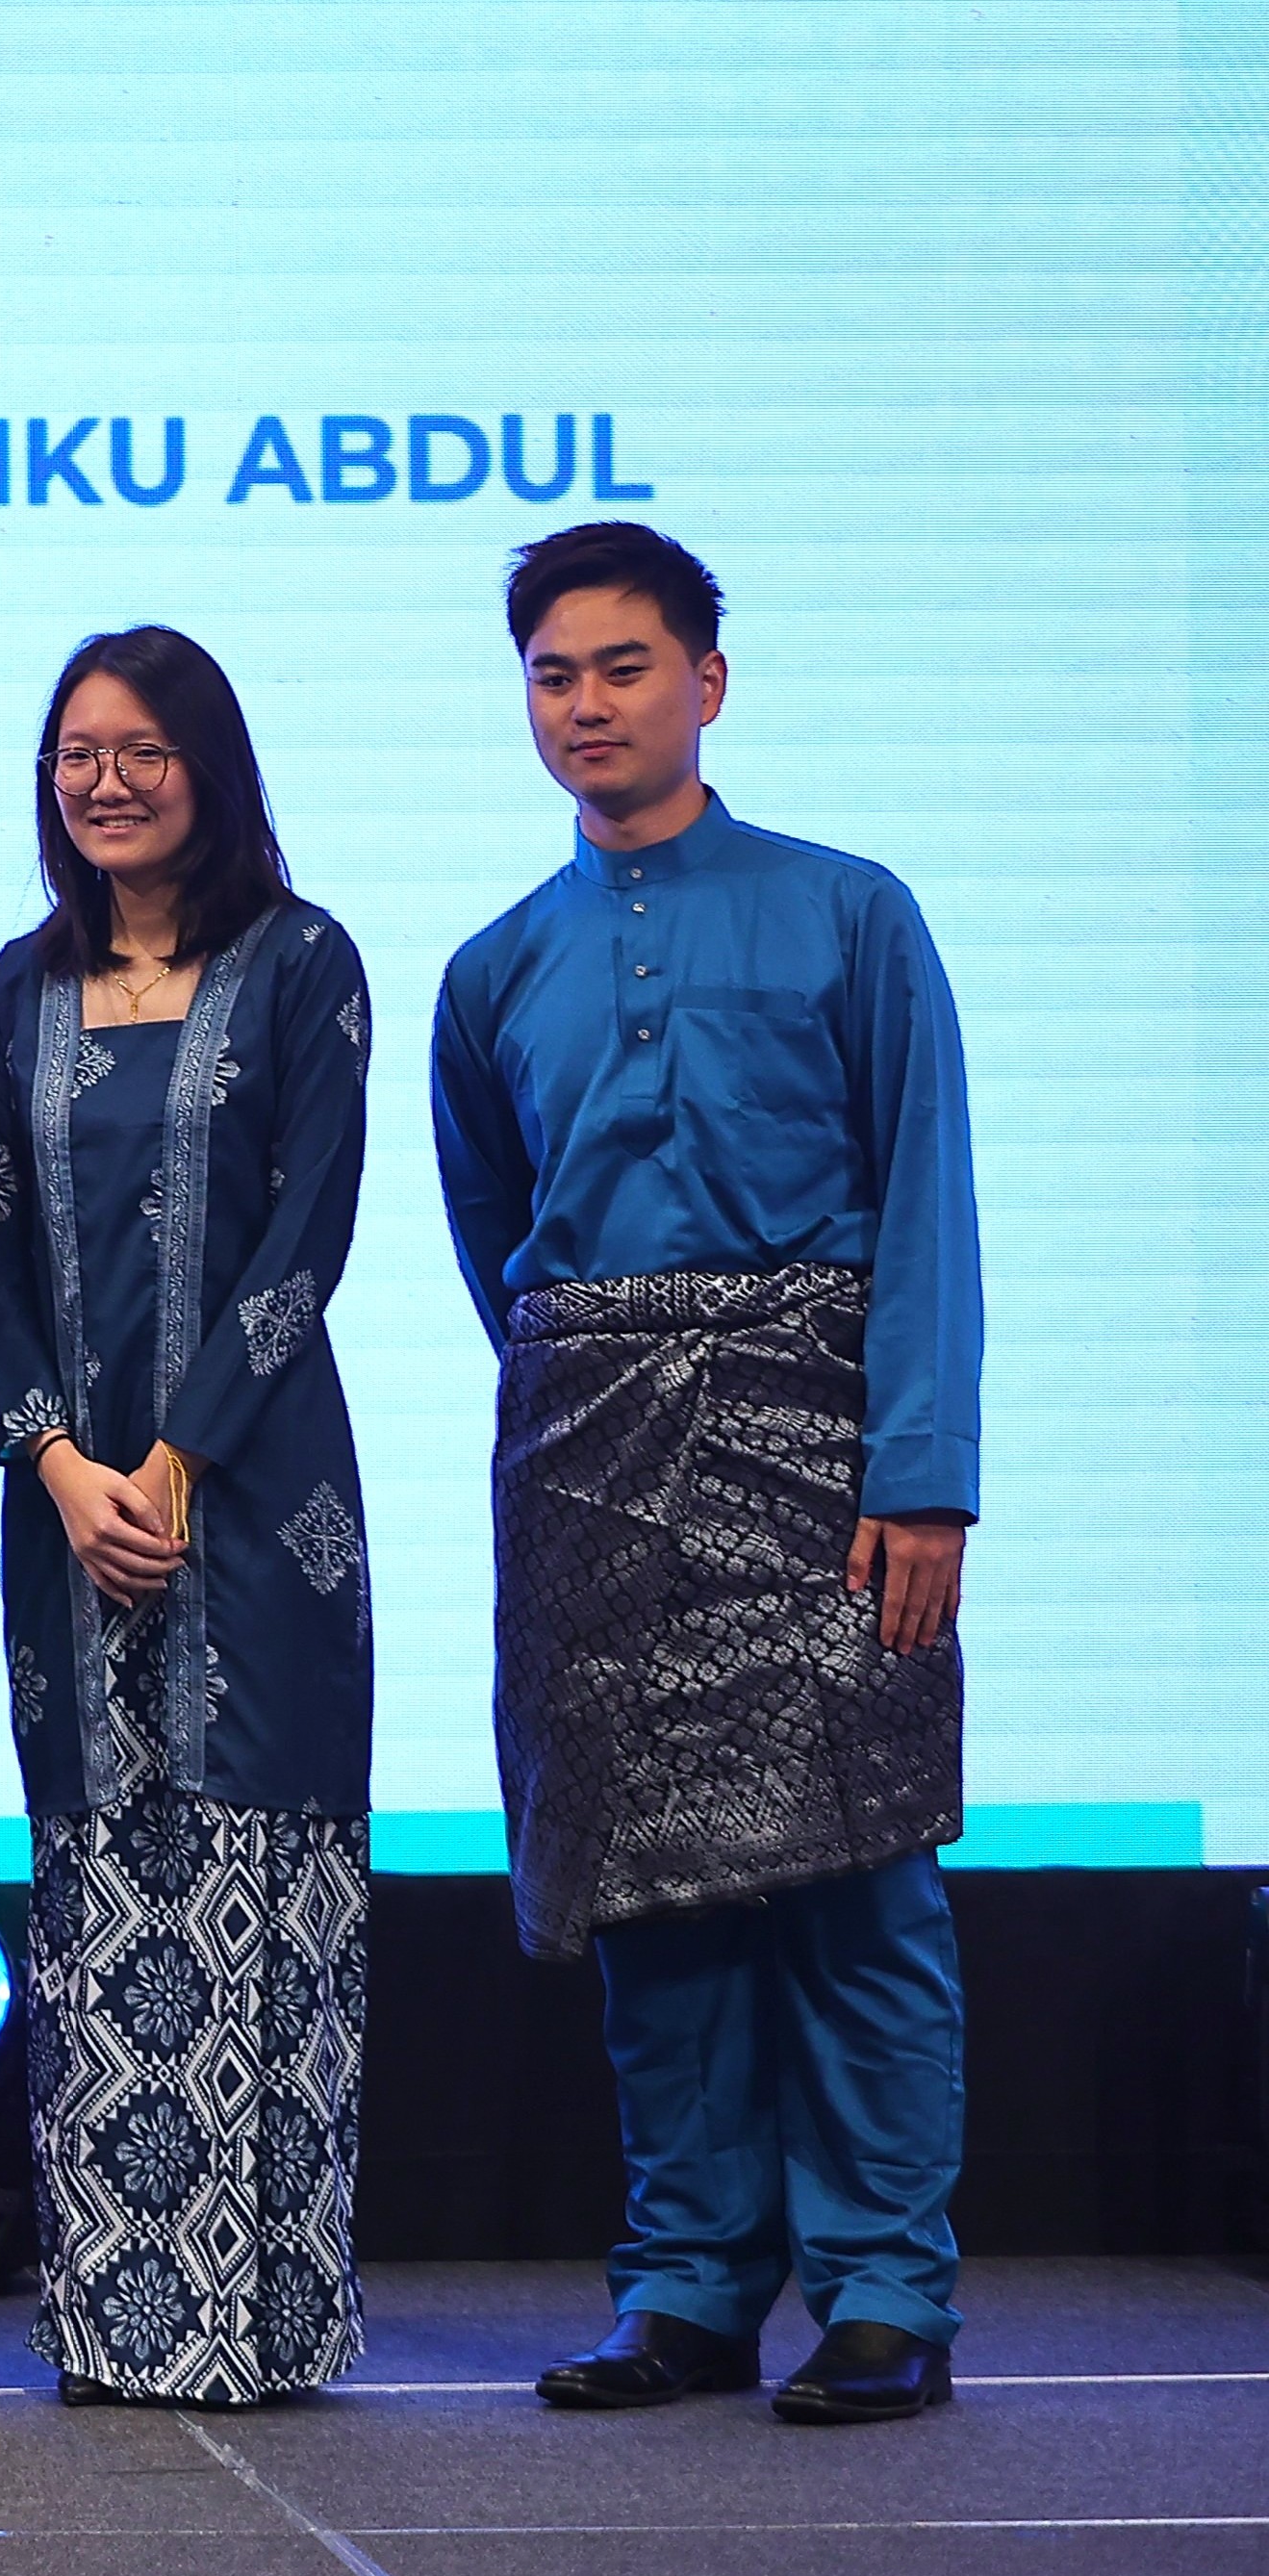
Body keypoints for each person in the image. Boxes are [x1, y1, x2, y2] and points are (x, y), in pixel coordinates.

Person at [430, 524, 979, 2427]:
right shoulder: (490, 964)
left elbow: (924, 1205)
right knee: (648, 1897)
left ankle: (884, 2289)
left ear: (705, 681)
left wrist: (918, 1475)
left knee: (854, 1881)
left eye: (620, 666)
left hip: (821, 1449)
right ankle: (681, 2285)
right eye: (550, 674)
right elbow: (498, 1239)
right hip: (588, 1457)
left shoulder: (848, 910)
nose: (583, 702)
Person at [0, 627, 376, 2407]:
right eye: (76, 752)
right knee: (99, 1881)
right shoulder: (17, 987)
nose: (105, 779)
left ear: (209, 763)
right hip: (65, 1519)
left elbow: (309, 1242)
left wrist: (183, 1463)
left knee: (265, 1880)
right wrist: (57, 1464)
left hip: (265, 1503)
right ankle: (119, 2321)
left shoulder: (302, 964)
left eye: (141, 748)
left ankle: (264, 2323)